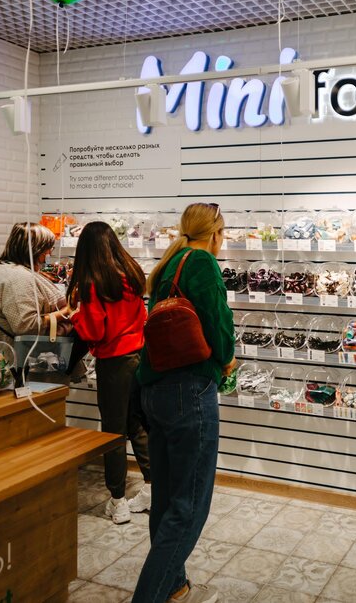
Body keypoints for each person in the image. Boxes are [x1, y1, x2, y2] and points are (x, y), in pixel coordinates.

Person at [133, 203, 235, 603]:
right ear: (215, 234)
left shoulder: (170, 262)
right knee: (190, 505)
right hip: (189, 390)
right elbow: (218, 322)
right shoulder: (203, 262)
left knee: (166, 497)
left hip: (154, 388)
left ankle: (174, 583)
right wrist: (226, 358)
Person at [64, 221, 152, 524]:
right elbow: (141, 314)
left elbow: (93, 331)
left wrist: (75, 317)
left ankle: (118, 501)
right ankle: (151, 488)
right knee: (137, 424)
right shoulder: (132, 274)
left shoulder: (94, 283)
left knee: (113, 432)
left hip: (114, 363)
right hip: (139, 356)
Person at [0, 222, 71, 344]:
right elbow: (26, 325)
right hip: (28, 353)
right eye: (48, 248)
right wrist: (66, 311)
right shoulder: (17, 278)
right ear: (37, 249)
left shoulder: (10, 270)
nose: (50, 253)